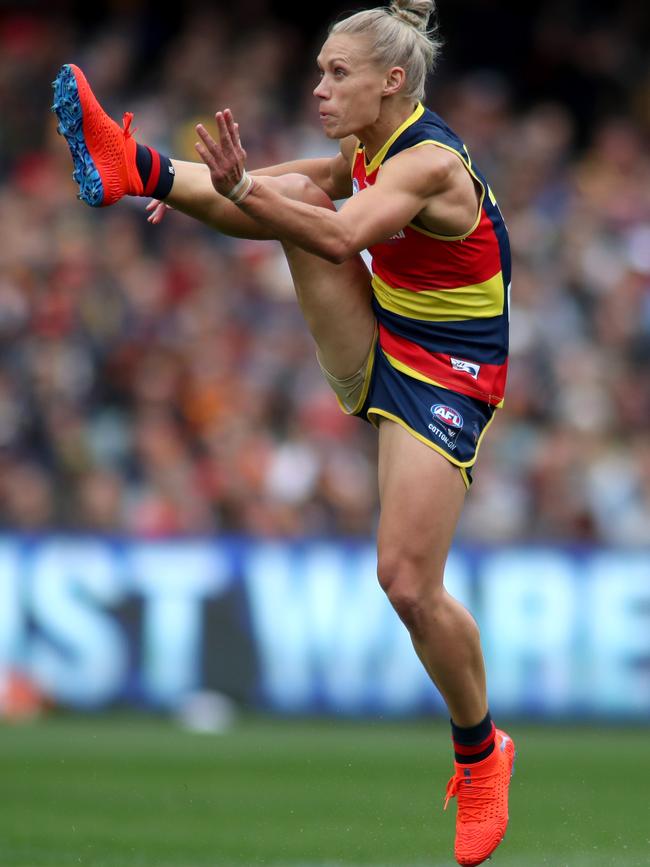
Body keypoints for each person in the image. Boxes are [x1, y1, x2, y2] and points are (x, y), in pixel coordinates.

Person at [51, 1, 515, 864]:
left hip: (450, 372)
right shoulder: (372, 148)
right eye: (321, 71)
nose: (320, 88)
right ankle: (132, 164)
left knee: (406, 582)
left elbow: (337, 236)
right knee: (288, 189)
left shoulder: (428, 163)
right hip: (386, 339)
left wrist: (232, 189)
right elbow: (289, 192)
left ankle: (482, 751)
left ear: (393, 82)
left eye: (338, 74)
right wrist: (192, 183)